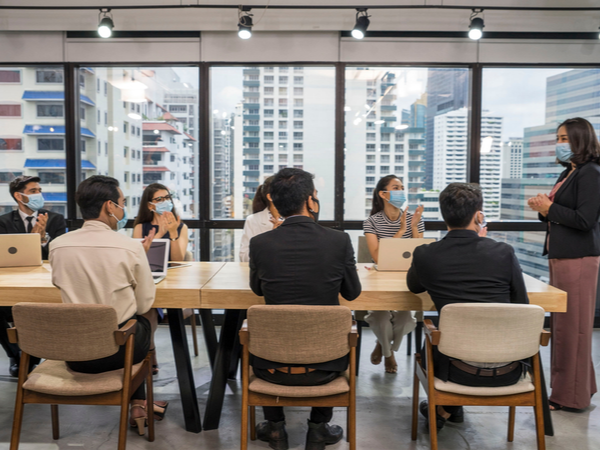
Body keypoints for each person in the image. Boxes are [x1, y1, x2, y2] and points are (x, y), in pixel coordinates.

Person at [249, 168, 362, 450]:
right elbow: (352, 292)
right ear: (311, 201)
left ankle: (275, 428)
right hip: (326, 366)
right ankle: (318, 427)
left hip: (271, 367)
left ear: (275, 200)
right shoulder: (338, 241)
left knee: (258, 330)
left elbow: (257, 290)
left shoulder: (260, 243)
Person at [49, 175, 167, 435]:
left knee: (128, 323)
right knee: (143, 317)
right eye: (122, 202)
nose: (124, 208)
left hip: (73, 354)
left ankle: (139, 402)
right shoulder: (128, 247)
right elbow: (146, 301)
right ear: (109, 206)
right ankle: (139, 402)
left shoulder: (57, 246)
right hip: (118, 352)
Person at [407, 182, 529, 430]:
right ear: (478, 216)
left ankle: (446, 407)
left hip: (454, 370)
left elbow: (414, 287)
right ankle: (448, 410)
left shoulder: (426, 255)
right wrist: (483, 243)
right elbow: (522, 305)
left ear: (444, 216)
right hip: (509, 367)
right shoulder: (503, 252)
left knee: (440, 329)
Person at [527, 117, 600, 412]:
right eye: (558, 139)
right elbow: (557, 212)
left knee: (574, 329)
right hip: (562, 257)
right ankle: (580, 387)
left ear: (580, 140)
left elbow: (585, 220)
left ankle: (570, 397)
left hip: (578, 259)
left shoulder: (591, 173)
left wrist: (550, 208)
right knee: (564, 327)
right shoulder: (568, 173)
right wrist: (542, 209)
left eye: (564, 139)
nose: (559, 144)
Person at [0, 175, 66, 377]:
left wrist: (43, 238)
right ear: (19, 197)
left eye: (39, 190)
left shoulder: (54, 219)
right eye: (33, 191)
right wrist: (30, 239)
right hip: (13, 281)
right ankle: (17, 355)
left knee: (38, 310)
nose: (39, 194)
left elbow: (60, 255)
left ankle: (30, 359)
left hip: (44, 283)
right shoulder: (3, 222)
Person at [362, 174, 424, 373]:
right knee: (380, 319)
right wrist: (401, 230)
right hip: (379, 279)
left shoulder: (415, 219)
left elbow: (419, 253)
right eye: (396, 187)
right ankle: (390, 355)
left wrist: (413, 227)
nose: (401, 191)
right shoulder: (371, 222)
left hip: (406, 279)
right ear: (383, 193)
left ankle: (384, 346)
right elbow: (378, 257)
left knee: (406, 319)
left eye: (402, 187)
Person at [133, 183, 189, 262]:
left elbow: (177, 262)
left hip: (173, 273)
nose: (165, 202)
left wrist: (173, 233)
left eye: (167, 198)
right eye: (159, 199)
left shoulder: (181, 227)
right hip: (148, 273)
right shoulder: (139, 228)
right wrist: (159, 235)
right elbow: (139, 259)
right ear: (150, 205)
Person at [239, 176, 282, 262]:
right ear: (270, 197)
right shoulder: (253, 220)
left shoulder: (294, 218)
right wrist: (271, 237)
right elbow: (244, 257)